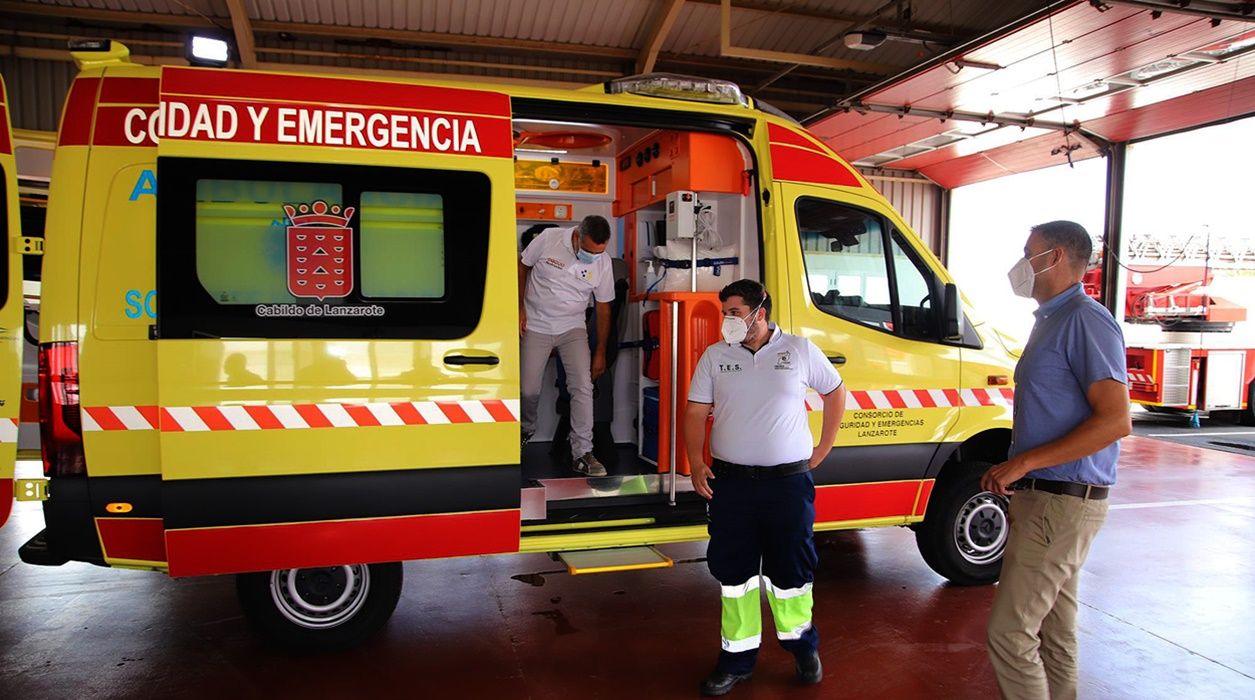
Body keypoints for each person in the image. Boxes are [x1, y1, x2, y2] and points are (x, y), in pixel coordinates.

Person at [982, 220, 1131, 700]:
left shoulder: (1086, 320)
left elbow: (1115, 420)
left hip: (1061, 502)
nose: (1022, 263)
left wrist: (1025, 463)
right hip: (1044, 499)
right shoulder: (1051, 320)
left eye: (1030, 253)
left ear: (1058, 258)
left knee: (1009, 633)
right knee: (1053, 633)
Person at [682, 279, 847, 696]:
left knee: (792, 571)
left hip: (787, 484)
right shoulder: (715, 356)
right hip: (731, 485)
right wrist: (697, 461)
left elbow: (835, 391)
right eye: (725, 313)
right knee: (734, 575)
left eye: (735, 312)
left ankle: (802, 647)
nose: (728, 321)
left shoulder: (799, 351)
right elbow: (696, 410)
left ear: (760, 310)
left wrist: (824, 447)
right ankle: (736, 660)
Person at [518, 215, 614, 477]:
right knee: (527, 389)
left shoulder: (602, 262)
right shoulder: (549, 239)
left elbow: (604, 308)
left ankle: (582, 453)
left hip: (573, 327)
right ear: (576, 236)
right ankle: (525, 429)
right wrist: (519, 308)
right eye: (590, 251)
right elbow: (523, 266)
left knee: (582, 386)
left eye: (601, 251)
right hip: (536, 324)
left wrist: (600, 352)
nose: (595, 256)